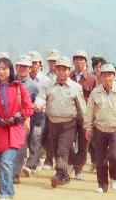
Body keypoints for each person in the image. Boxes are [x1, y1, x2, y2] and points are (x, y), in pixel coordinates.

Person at [0, 57, 34, 200]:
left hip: (14, 132)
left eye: (4, 68)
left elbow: (29, 108)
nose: (1, 71)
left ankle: (3, 193)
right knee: (1, 165)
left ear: (10, 70)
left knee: (6, 163)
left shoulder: (19, 88)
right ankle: (10, 190)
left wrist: (16, 117)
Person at [35, 57, 86, 188]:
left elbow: (82, 107)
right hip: (52, 122)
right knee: (59, 147)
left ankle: (58, 174)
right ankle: (65, 175)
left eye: (64, 69)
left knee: (61, 149)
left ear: (69, 71)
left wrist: (86, 124)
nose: (61, 72)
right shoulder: (47, 85)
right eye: (59, 69)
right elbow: (41, 98)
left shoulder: (76, 87)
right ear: (55, 70)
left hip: (69, 123)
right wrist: (38, 104)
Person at [84, 64, 116, 193]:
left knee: (115, 156)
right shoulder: (95, 92)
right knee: (101, 159)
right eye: (104, 75)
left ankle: (114, 176)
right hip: (99, 129)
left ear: (114, 76)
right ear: (100, 77)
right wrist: (88, 128)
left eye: (109, 75)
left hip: (115, 129)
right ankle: (102, 185)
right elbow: (89, 112)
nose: (107, 78)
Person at [11, 55, 41, 180]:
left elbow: (34, 104)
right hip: (8, 119)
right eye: (20, 66)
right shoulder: (9, 82)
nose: (23, 69)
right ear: (16, 67)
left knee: (21, 146)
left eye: (25, 66)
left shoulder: (34, 86)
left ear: (30, 69)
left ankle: (15, 174)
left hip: (24, 120)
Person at [69, 50, 97, 178]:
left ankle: (79, 169)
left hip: (85, 116)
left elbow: (96, 98)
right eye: (77, 59)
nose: (79, 61)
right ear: (73, 61)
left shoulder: (92, 79)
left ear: (86, 62)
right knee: (68, 141)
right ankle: (70, 163)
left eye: (82, 59)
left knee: (84, 143)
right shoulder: (68, 77)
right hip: (70, 115)